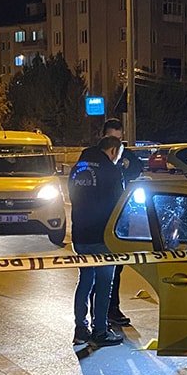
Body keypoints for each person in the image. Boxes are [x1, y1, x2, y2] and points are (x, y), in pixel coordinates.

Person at [68, 135, 125, 352]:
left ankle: (80, 329)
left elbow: (73, 197)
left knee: (85, 280)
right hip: (103, 236)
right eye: (118, 155)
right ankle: (100, 330)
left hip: (80, 234)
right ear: (113, 151)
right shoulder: (111, 171)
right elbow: (119, 204)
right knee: (103, 284)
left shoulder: (77, 168)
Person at [94, 118, 142, 327]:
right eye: (111, 139)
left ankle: (112, 309)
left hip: (121, 218)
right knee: (96, 271)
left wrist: (126, 167)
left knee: (116, 268)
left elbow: (137, 169)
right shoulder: (94, 158)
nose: (115, 145)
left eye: (118, 140)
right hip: (99, 220)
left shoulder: (126, 156)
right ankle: (98, 315)